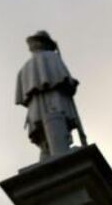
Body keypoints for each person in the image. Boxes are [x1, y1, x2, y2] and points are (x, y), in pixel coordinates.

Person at [15, 31, 85, 161]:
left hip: (45, 101)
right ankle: (57, 150)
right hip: (51, 100)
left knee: (45, 124)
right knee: (55, 120)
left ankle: (48, 152)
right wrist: (71, 83)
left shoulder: (28, 66)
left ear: (41, 43)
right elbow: (64, 80)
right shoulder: (51, 57)